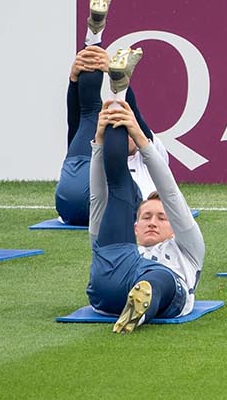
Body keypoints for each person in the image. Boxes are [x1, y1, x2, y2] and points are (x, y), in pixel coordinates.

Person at [85, 48, 205, 333]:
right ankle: (117, 90)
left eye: (162, 218)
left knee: (159, 279)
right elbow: (98, 198)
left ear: (175, 227)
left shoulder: (187, 249)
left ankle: (142, 302)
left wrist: (141, 139)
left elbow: (171, 193)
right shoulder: (124, 241)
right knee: (119, 188)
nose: (153, 221)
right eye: (147, 217)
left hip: (153, 284)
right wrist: (99, 142)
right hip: (111, 277)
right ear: (135, 226)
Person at [54, 0, 168, 226]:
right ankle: (94, 34)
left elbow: (135, 120)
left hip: (81, 199)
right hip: (90, 198)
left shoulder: (150, 150)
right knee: (90, 116)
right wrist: (74, 80)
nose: (118, 130)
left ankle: (94, 37)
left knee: (94, 115)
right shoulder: (98, 146)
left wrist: (119, 85)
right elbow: (75, 122)